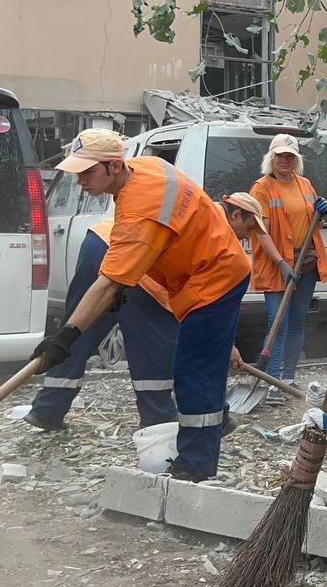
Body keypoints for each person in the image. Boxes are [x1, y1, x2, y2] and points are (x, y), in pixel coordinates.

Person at [30, 129, 251, 482]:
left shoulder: (140, 211)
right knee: (192, 368)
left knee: (195, 372)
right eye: (77, 172)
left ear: (115, 165)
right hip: (203, 269)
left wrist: (66, 336)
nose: (80, 180)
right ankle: (195, 455)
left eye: (87, 173)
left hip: (215, 279)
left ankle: (195, 467)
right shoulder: (147, 166)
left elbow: (106, 285)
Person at [248, 134, 327, 404]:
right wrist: (282, 263)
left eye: (290, 156)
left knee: (297, 322)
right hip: (277, 264)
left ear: (296, 160)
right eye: (280, 155)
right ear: (271, 158)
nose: (285, 160)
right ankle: (272, 381)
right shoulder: (261, 188)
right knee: (278, 322)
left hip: (306, 262)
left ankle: (288, 378)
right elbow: (261, 232)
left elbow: (312, 226)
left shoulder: (305, 185)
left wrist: (321, 212)